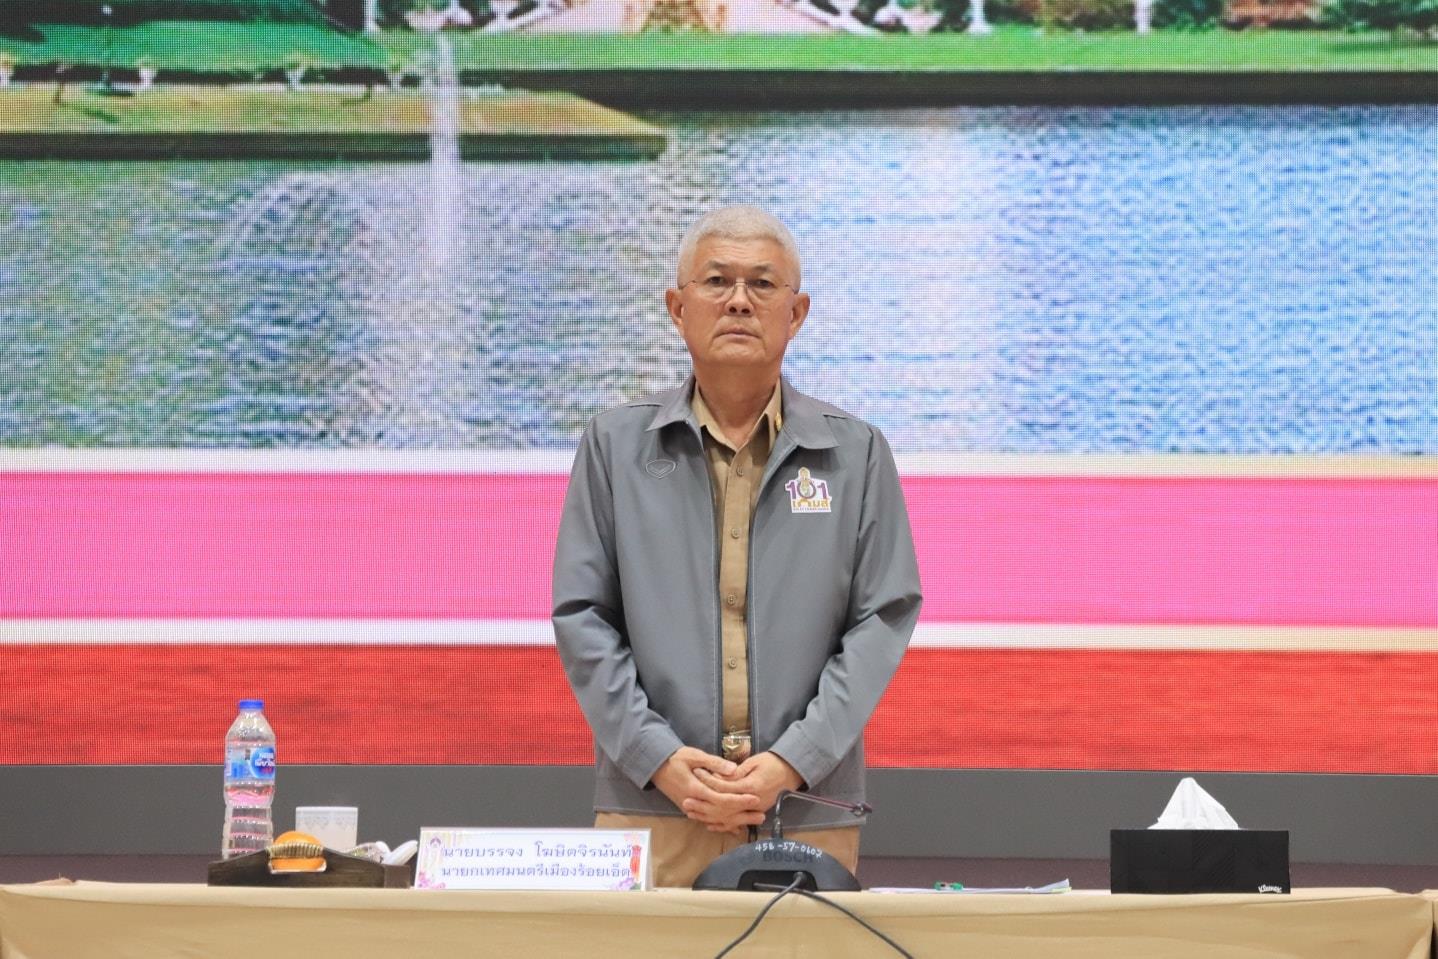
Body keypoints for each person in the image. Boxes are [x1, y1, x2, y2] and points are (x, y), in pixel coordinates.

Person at [551, 205, 922, 888]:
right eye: (718, 280)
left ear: (797, 312)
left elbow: (883, 617)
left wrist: (794, 760)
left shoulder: (857, 452)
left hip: (804, 808)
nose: (740, 302)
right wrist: (658, 757)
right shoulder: (614, 446)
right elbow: (583, 617)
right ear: (677, 306)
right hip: (653, 804)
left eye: (763, 284)